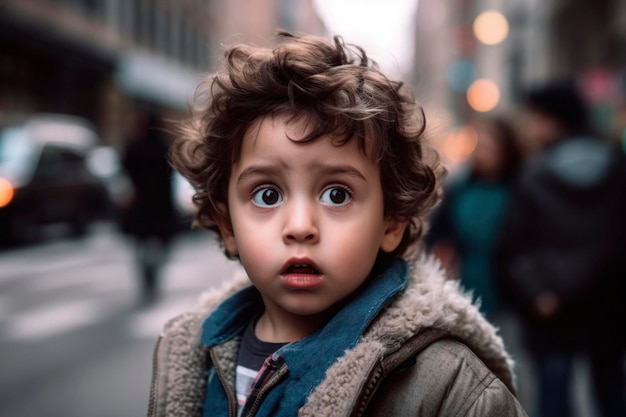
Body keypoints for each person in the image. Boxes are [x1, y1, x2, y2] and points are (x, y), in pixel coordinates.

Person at [147, 31, 528, 417]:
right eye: (267, 195)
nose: (299, 226)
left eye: (337, 195)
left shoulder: (449, 389)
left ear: (391, 221)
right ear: (227, 224)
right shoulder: (194, 358)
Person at [496, 79, 626, 417]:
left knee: (553, 399)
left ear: (552, 120)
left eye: (534, 117)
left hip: (552, 306)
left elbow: (517, 243)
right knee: (612, 394)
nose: (529, 126)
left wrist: (538, 292)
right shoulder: (616, 165)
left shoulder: (535, 174)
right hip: (609, 300)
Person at [426, 115, 523, 320]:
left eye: (488, 148)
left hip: (508, 288)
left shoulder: (520, 190)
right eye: (479, 147)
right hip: (466, 280)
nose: (481, 154)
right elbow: (438, 231)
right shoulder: (461, 187)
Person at [122, 109, 178, 303]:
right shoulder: (164, 147)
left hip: (142, 203)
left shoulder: (135, 146)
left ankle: (147, 274)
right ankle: (153, 272)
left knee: (141, 242)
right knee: (162, 241)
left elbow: (125, 169)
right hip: (160, 204)